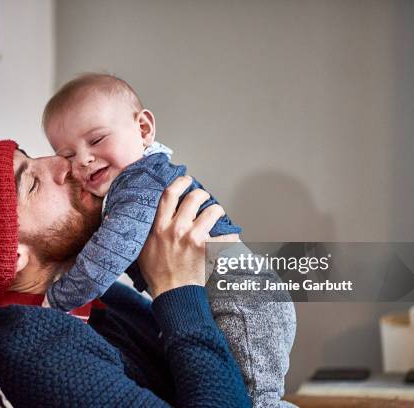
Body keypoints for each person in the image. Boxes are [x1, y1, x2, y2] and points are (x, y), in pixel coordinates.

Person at [0, 140, 250, 407]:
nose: (64, 164)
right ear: (14, 254)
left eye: (34, 156)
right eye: (33, 184)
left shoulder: (98, 297)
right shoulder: (33, 351)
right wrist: (177, 288)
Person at [41, 73, 296, 406]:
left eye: (97, 139)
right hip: (222, 298)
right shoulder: (124, 187)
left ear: (143, 129)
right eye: (68, 155)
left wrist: (57, 299)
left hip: (244, 299)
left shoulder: (140, 181)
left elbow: (107, 255)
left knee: (255, 398)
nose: (84, 159)